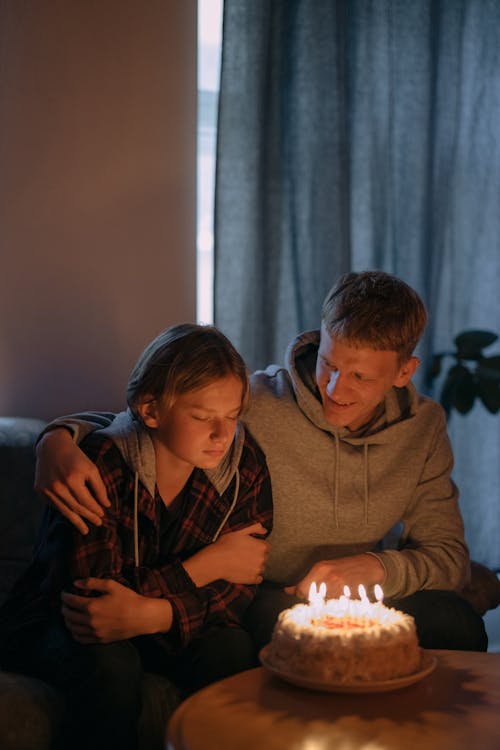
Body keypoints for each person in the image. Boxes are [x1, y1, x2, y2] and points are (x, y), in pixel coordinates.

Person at [33, 271, 487, 652]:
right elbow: (157, 415)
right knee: (284, 636)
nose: (334, 389)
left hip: (367, 596)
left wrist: (377, 567)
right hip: (269, 596)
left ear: (404, 372)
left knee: (458, 623)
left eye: (360, 377)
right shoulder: (261, 402)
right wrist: (58, 437)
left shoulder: (424, 427)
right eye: (329, 364)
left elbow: (449, 557)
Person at [0, 324, 272, 750]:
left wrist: (156, 614)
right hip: (61, 624)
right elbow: (95, 608)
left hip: (164, 624)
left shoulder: (243, 464)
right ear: (151, 410)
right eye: (202, 418)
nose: (222, 435)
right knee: (110, 662)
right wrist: (205, 566)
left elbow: (236, 595)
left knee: (231, 647)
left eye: (232, 417)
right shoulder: (101, 463)